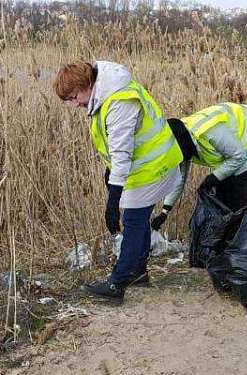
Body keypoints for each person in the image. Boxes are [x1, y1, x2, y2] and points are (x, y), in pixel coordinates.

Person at [54, 61, 183, 303]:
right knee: (140, 218)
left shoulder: (119, 103)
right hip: (148, 164)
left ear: (87, 84)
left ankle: (117, 283)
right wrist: (109, 171)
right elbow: (116, 149)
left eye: (74, 97)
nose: (76, 104)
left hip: (153, 166)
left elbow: (122, 156)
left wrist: (112, 202)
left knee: (133, 221)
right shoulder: (106, 93)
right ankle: (138, 272)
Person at [149, 103, 247, 229]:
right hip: (237, 147)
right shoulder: (180, 140)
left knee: (235, 187)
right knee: (222, 191)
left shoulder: (209, 131)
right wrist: (165, 211)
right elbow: (179, 178)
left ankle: (237, 239)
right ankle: (226, 237)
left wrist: (213, 177)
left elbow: (238, 156)